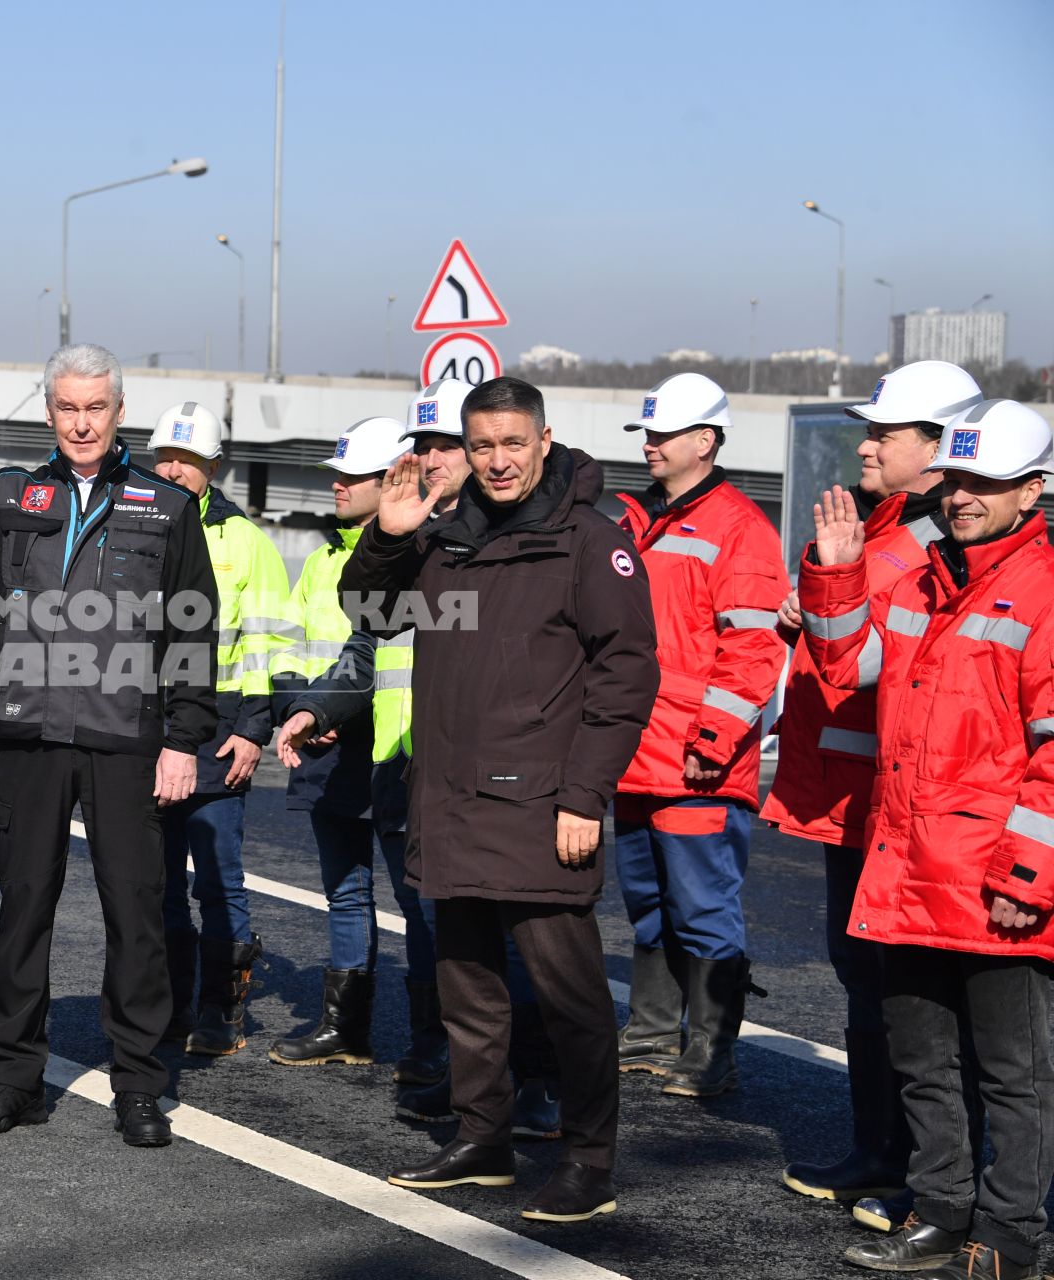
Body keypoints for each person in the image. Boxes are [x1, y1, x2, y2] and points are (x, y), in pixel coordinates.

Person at [0, 333, 218, 1149]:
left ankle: (139, 1087)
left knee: (135, 915)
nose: (83, 422)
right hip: (30, 736)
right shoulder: (9, 497)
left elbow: (195, 629)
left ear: (120, 411)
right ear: (50, 410)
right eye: (68, 407)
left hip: (127, 739)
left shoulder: (166, 508)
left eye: (97, 407)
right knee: (24, 909)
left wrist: (185, 739)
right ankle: (14, 1082)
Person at [340, 376, 658, 1224]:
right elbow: (368, 612)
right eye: (482, 446)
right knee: (467, 985)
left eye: (514, 443)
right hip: (449, 799)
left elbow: (626, 677)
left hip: (544, 805)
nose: (498, 461)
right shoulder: (448, 536)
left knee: (571, 996)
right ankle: (484, 1139)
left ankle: (590, 1160)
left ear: (544, 442)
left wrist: (585, 794)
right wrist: (388, 537)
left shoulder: (589, 541)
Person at [800, 399, 1054, 1280]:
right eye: (955, 483)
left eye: (986, 485)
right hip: (906, 866)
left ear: (1032, 490)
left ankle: (1013, 1235)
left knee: (1013, 1076)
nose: (963, 500)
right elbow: (846, 665)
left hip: (993, 883)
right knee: (922, 1059)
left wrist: (1028, 873)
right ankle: (941, 1211)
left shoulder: (1046, 591)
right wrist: (835, 578)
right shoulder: (918, 580)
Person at [274, 380, 560, 1139]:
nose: (433, 458)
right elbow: (368, 643)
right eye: (424, 445)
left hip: (507, 775)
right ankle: (472, 1077)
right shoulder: (424, 541)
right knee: (453, 937)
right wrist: (312, 708)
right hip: (417, 771)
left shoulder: (549, 534)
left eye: (446, 445)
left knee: (517, 938)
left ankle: (542, 1085)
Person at [764, 361, 983, 1209]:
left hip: (891, 806)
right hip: (855, 800)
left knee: (911, 999)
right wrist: (818, 600)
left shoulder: (934, 544)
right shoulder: (893, 528)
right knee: (870, 985)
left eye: (885, 433)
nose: (865, 445)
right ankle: (882, 1151)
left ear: (937, 449)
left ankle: (911, 1164)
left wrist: (826, 606)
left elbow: (876, 668)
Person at [611, 373, 790, 1098]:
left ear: (705, 441)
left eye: (663, 435)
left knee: (704, 909)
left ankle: (713, 1049)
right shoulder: (633, 519)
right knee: (648, 903)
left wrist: (714, 740)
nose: (650, 445)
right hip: (631, 752)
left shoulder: (741, 529)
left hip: (696, 761)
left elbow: (752, 649)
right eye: (647, 434)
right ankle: (654, 1032)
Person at [265, 414, 431, 1071]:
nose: (338, 486)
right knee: (345, 892)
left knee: (421, 904)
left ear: (391, 479)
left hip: (389, 746)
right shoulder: (317, 561)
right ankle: (345, 1029)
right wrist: (299, 707)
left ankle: (433, 1041)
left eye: (353, 476)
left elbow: (386, 659)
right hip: (325, 745)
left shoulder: (415, 558)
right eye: (336, 475)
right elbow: (290, 646)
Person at [149, 402, 291, 1057]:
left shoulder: (246, 543)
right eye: (166, 459)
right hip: (146, 729)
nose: (174, 471)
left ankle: (219, 1010)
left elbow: (268, 643)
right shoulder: (131, 525)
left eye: (190, 462)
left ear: (216, 467)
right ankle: (171, 1005)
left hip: (219, 731)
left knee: (215, 880)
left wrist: (256, 729)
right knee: (156, 882)